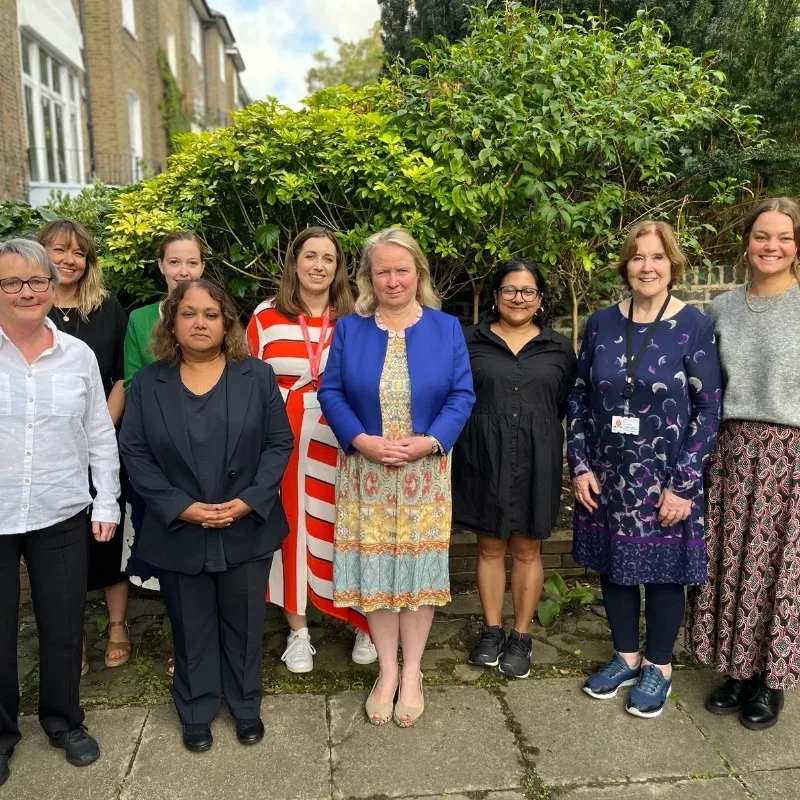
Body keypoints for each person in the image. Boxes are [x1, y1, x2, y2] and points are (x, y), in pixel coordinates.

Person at [120, 279, 293, 753]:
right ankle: (195, 708)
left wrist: (251, 499)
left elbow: (280, 442)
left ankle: (245, 706)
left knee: (243, 622)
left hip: (246, 524)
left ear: (227, 324)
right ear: (172, 323)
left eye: (211, 314)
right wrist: (181, 507)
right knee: (190, 623)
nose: (200, 322)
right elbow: (134, 452)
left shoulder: (256, 376)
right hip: (178, 528)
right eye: (189, 313)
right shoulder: (150, 382)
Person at [319, 227, 474, 727]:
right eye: (382, 270)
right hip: (366, 474)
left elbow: (462, 395)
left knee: (419, 578)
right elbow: (332, 391)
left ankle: (413, 675)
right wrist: (359, 439)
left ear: (418, 274)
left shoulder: (446, 327)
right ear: (368, 276)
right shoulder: (350, 328)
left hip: (424, 474)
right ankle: (387, 672)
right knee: (377, 578)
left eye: (401, 269)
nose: (392, 279)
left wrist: (431, 440)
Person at [568, 220, 722, 719]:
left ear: (672, 264)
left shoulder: (693, 324)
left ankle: (659, 666)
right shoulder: (601, 324)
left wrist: (684, 484)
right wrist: (579, 464)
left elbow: (709, 409)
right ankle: (625, 657)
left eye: (657, 257)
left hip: (665, 477)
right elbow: (578, 395)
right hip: (608, 472)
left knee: (661, 575)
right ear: (626, 265)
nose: (647, 267)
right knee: (614, 567)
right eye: (638, 257)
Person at [0, 239, 120, 786]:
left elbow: (99, 432)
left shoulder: (78, 355)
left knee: (64, 626)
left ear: (53, 287)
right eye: (12, 282)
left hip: (62, 509)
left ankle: (64, 720)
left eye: (37, 281)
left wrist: (108, 500)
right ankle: (2, 733)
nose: (27, 292)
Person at [686, 197, 800, 730]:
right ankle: (734, 670)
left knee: (779, 570)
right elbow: (708, 389)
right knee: (730, 565)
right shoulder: (723, 308)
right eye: (761, 236)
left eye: (783, 237)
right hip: (731, 452)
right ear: (746, 242)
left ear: (796, 245)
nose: (771, 247)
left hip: (791, 456)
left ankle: (770, 682)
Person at [247, 227, 376, 672]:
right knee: (292, 530)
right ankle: (298, 630)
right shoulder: (266, 316)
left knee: (351, 526)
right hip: (285, 441)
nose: (319, 266)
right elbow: (247, 383)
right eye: (311, 256)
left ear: (339, 267)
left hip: (345, 438)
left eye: (329, 258)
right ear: (295, 261)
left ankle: (364, 622)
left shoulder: (356, 318)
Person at [453, 260, 576, 678]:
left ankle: (521, 637)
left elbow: (562, 403)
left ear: (540, 300)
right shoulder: (470, 341)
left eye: (528, 291)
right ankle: (491, 630)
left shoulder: (559, 347)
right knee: (488, 547)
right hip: (483, 456)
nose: (518, 298)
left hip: (536, 459)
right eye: (510, 290)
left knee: (527, 548)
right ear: (495, 295)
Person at [38, 220, 131, 674]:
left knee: (108, 532)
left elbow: (118, 378)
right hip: (48, 450)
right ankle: (70, 635)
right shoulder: (28, 309)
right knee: (60, 541)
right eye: (59, 250)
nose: (69, 260)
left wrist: (101, 432)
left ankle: (118, 625)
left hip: (101, 441)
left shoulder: (109, 309)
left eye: (78, 252)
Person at [123, 231, 205, 676]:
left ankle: (204, 641)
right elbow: (135, 383)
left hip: (211, 448)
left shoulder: (216, 312)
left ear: (202, 267)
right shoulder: (139, 320)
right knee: (171, 552)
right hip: (161, 450)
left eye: (191, 263)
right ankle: (183, 642)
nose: (183, 272)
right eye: (175, 263)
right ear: (161, 267)